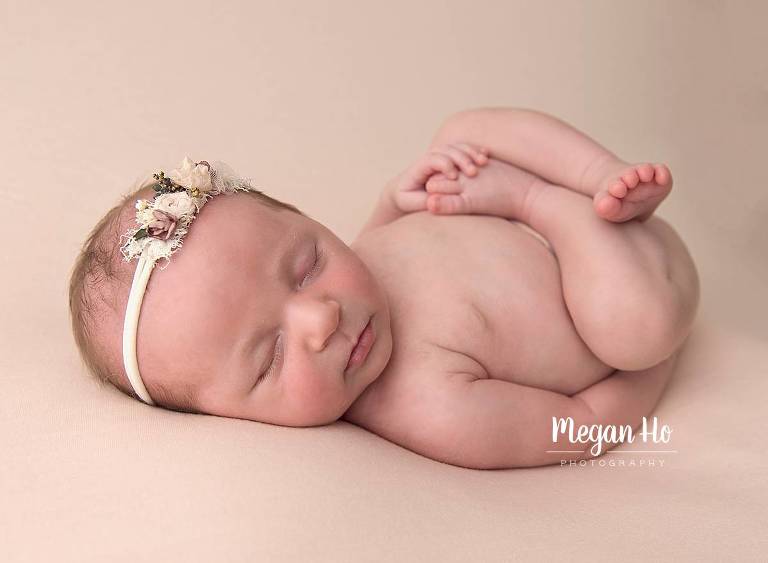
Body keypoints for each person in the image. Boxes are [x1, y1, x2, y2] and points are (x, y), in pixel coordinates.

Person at [68, 107, 699, 469]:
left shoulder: (360, 265)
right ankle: (550, 200)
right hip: (622, 274)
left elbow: (375, 244)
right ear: (230, 418)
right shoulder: (430, 408)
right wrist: (652, 367)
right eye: (272, 357)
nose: (320, 318)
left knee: (460, 130)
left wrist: (397, 201)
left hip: (561, 211)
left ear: (307, 220)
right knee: (631, 328)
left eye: (307, 265)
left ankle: (600, 174)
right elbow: (580, 424)